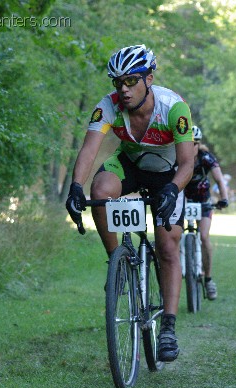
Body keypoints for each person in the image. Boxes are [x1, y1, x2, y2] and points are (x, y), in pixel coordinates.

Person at [65, 44, 194, 363]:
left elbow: (188, 164)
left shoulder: (173, 107)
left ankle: (168, 328)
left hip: (168, 174)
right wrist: (75, 187)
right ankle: (117, 263)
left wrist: (173, 190)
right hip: (132, 166)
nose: (123, 89)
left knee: (167, 248)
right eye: (117, 82)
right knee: (100, 189)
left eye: (131, 81)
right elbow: (89, 150)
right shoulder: (107, 106)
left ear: (149, 79)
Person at [183, 125, 229, 300]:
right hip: (184, 200)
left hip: (203, 201)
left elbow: (219, 179)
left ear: (198, 144)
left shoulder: (206, 158)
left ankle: (208, 279)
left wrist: (223, 198)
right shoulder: (178, 157)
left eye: (194, 144)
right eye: (187, 143)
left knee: (203, 237)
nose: (190, 147)